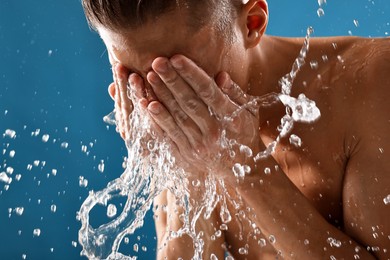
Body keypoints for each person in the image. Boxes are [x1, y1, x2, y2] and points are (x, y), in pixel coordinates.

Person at [81, 0, 390, 258]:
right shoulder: (170, 115)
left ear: (251, 24)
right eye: (135, 75)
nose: (167, 99)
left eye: (180, 72)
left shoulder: (375, 85)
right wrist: (185, 171)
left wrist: (246, 166)